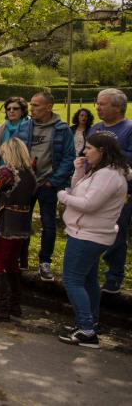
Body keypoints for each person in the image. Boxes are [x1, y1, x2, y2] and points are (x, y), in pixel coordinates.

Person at [57, 133, 130, 348]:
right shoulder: (101, 171)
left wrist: (63, 196)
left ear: (103, 151)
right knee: (88, 280)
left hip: (88, 234)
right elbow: (80, 189)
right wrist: (79, 170)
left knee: (72, 279)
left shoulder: (107, 175)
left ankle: (87, 330)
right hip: (89, 232)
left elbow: (89, 204)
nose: (85, 152)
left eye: (89, 148)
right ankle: (89, 321)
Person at [0, 138, 37, 321]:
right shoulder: (30, 172)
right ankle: (15, 305)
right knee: (12, 262)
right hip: (22, 221)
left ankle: (2, 307)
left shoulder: (5, 172)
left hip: (5, 220)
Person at [21, 92, 76, 281]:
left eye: (36, 105)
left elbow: (69, 157)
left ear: (49, 107)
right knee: (22, 222)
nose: (32, 108)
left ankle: (45, 262)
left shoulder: (61, 129)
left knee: (48, 223)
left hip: (48, 184)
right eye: (31, 104)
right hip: (27, 184)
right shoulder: (26, 126)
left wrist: (54, 180)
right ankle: (22, 259)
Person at [88, 88, 132, 294]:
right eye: (97, 103)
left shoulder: (129, 129)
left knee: (116, 233)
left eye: (103, 104)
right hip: (92, 190)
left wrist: (106, 150)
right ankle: (89, 272)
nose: (97, 107)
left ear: (118, 107)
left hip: (119, 194)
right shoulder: (95, 128)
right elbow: (86, 153)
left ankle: (114, 277)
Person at [0, 96, 30, 175]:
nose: (11, 111)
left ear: (22, 111)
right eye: (8, 109)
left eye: (15, 108)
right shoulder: (1, 129)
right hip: (3, 174)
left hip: (24, 174)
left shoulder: (30, 127)